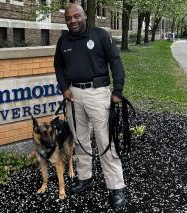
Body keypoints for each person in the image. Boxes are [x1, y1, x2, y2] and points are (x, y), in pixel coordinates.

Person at [54, 3, 126, 209]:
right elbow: (58, 66)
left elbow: (116, 61)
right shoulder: (63, 41)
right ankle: (85, 177)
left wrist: (117, 91)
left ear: (84, 16)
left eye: (77, 16)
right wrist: (64, 88)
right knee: (79, 139)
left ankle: (116, 186)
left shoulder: (100, 35)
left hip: (98, 93)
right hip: (73, 95)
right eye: (68, 18)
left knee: (106, 141)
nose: (73, 21)